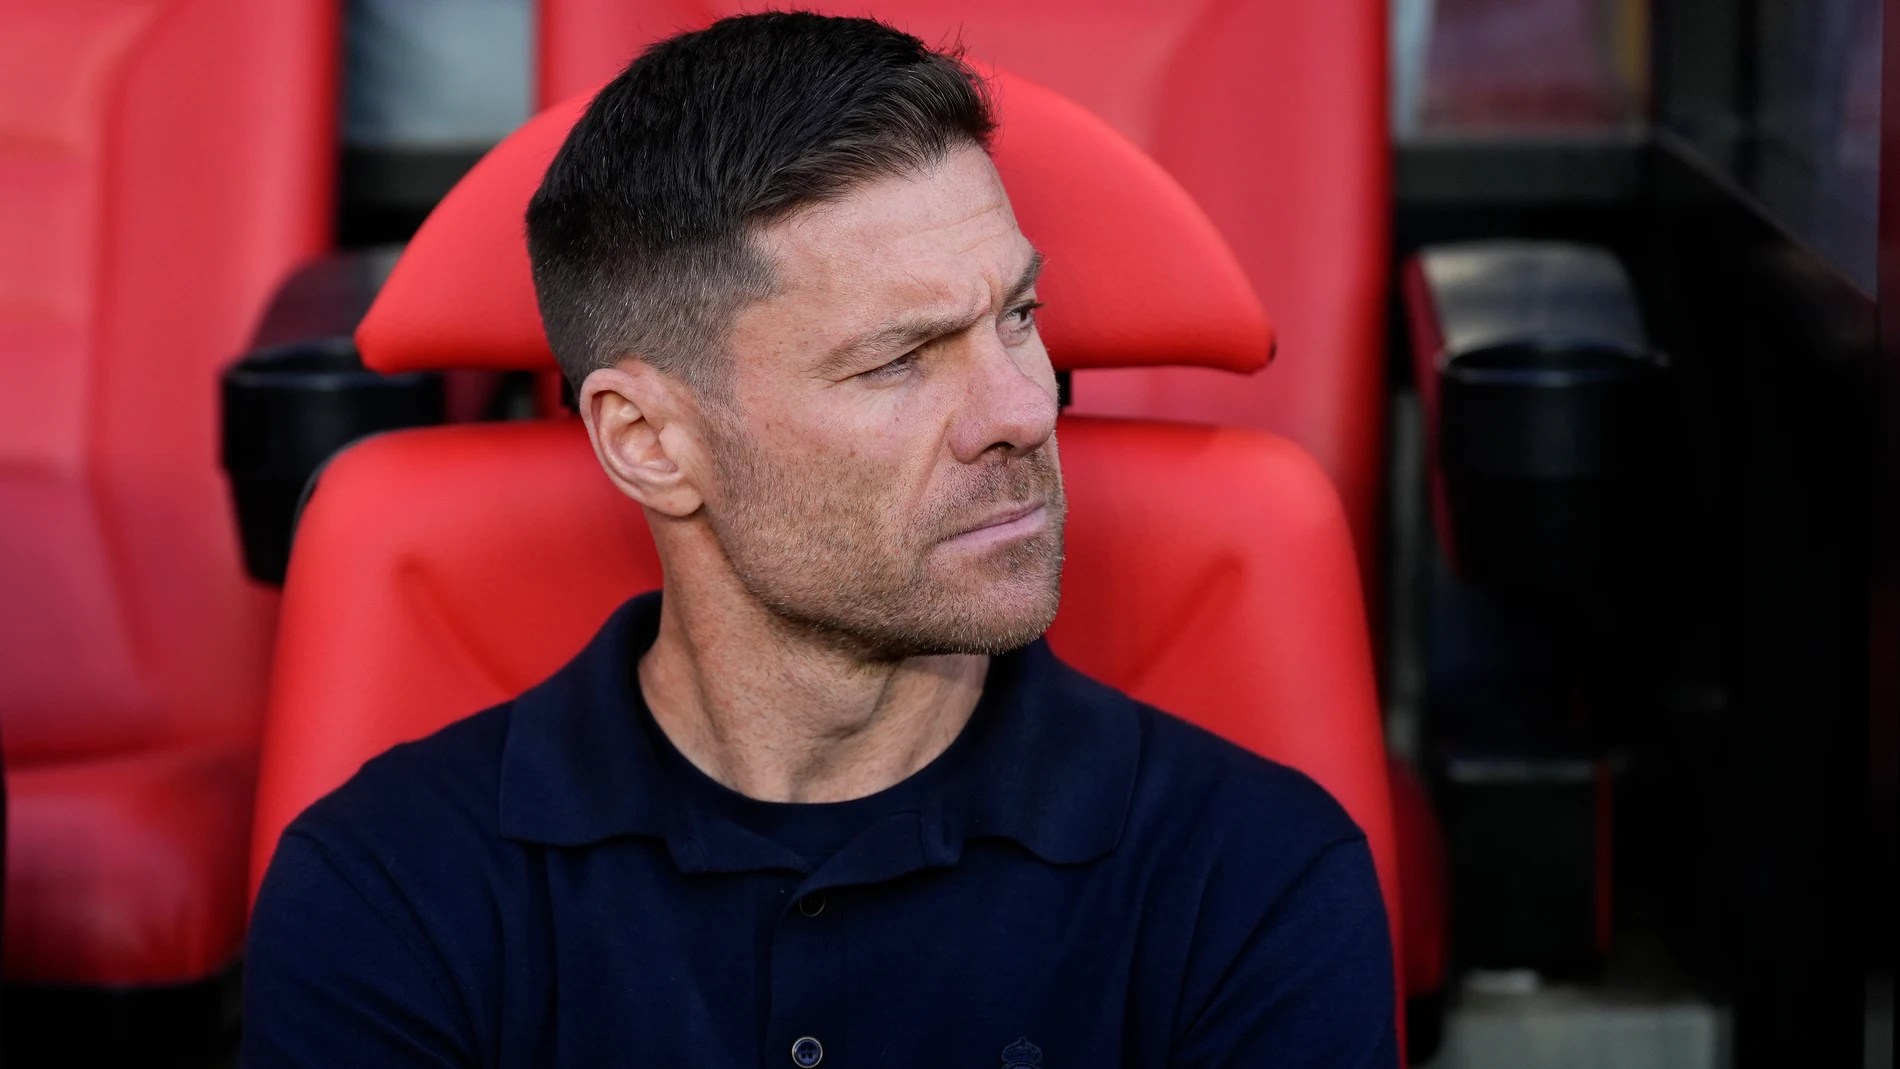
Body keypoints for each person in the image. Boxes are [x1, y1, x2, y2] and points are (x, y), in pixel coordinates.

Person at [242, 13, 1397, 1067]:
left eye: (1018, 317)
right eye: (898, 359)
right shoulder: (387, 886)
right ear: (647, 440)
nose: (1025, 410)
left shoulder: (1254, 878)